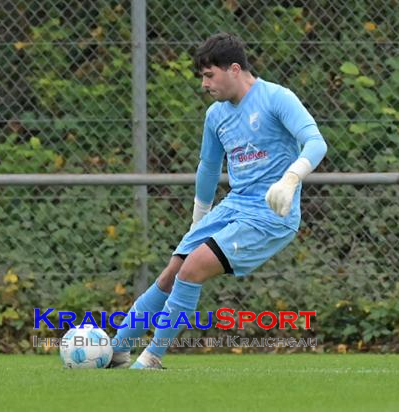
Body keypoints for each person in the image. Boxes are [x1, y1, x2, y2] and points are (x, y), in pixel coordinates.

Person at [109, 32, 327, 369]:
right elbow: (209, 167)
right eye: (202, 76)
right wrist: (199, 218)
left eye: (209, 75)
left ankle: (151, 358)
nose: (204, 84)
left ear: (234, 69)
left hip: (269, 215)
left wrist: (291, 177)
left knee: (192, 269)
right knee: (172, 272)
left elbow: (315, 142)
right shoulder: (216, 115)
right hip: (234, 206)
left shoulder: (276, 98)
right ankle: (115, 350)